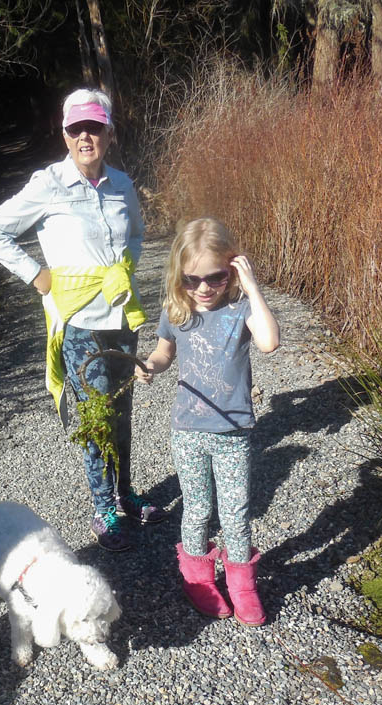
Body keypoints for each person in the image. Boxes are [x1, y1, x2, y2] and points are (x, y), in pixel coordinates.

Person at [0, 88, 166, 553]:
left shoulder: (122, 185)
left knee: (121, 411)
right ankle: (104, 509)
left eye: (94, 127)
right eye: (76, 128)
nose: (86, 136)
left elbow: (136, 235)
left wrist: (125, 266)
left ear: (109, 133)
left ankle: (125, 494)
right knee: (96, 416)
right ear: (64, 135)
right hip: (79, 322)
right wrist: (36, 275)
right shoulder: (49, 185)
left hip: (122, 318)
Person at [135, 218, 280, 626]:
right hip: (187, 431)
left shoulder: (241, 309)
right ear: (178, 276)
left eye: (215, 277)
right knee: (197, 509)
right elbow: (164, 354)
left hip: (232, 434)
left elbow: (269, 342)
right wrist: (149, 365)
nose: (203, 288)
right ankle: (197, 579)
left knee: (235, 513)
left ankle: (242, 586)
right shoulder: (176, 311)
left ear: (231, 271)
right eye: (192, 279)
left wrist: (252, 288)